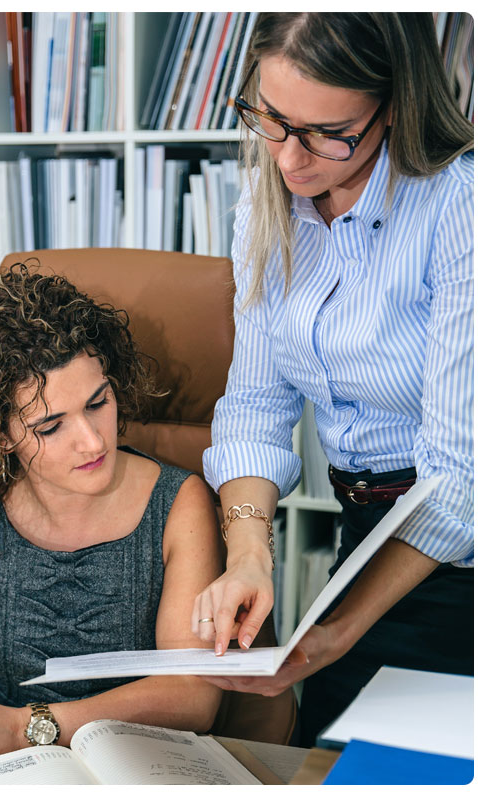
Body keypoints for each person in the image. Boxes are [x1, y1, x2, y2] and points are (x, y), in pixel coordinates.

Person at [192, 12, 473, 746]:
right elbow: (254, 403)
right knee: (326, 758)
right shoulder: (270, 195)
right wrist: (250, 553)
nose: (289, 160)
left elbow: (459, 483)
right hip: (365, 539)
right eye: (273, 119)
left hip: (459, 553)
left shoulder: (460, 205)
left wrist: (330, 634)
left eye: (327, 132)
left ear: (396, 104)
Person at [0, 265, 223, 761]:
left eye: (98, 403)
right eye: (50, 427)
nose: (93, 441)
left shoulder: (180, 504)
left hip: (129, 755)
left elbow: (194, 696)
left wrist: (28, 727)